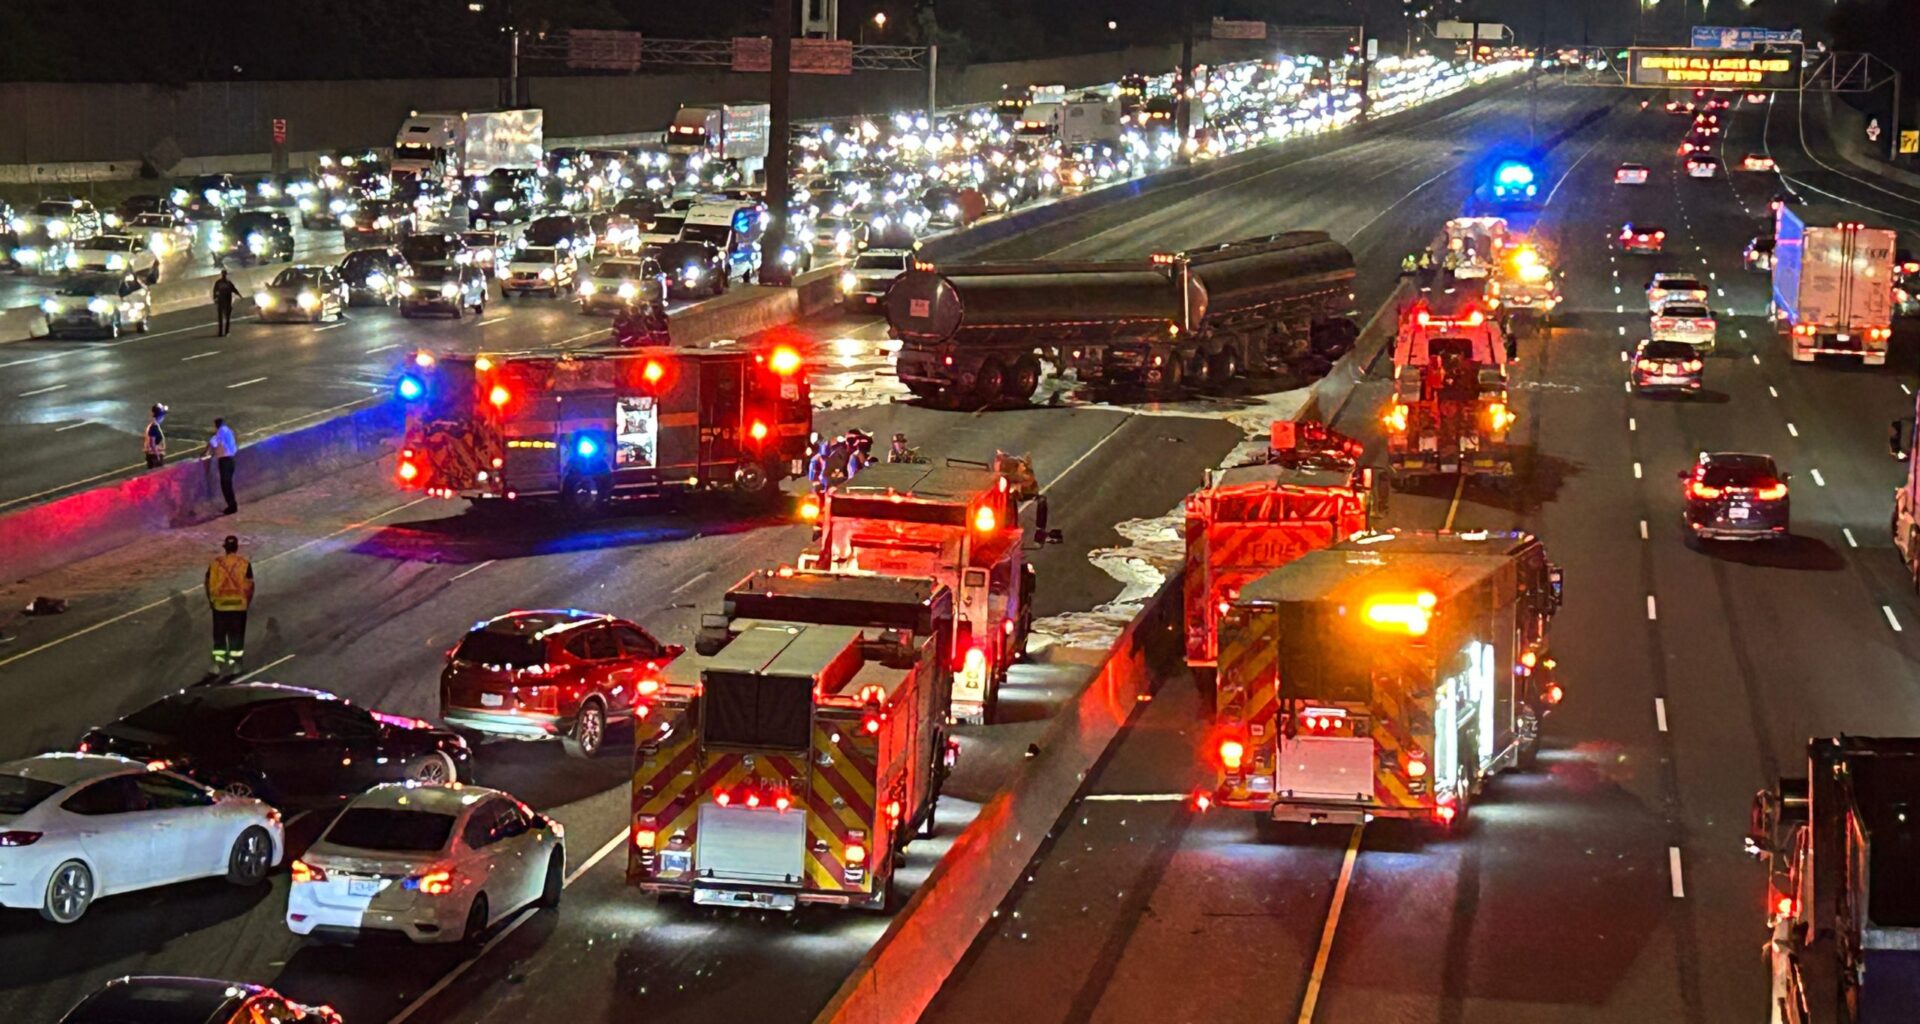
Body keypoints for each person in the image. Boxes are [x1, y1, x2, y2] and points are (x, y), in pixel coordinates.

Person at [205, 535, 255, 675]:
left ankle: (218, 663)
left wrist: (211, 601)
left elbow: (208, 583)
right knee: (237, 636)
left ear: (225, 548)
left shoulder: (216, 563)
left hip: (220, 606)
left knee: (219, 636)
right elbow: (250, 586)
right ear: (237, 547)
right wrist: (247, 602)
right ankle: (236, 664)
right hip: (239, 607)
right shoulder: (244, 564)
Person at [204, 417, 239, 514]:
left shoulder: (220, 432)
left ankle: (232, 506)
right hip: (231, 460)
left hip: (225, 461)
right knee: (228, 484)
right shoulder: (229, 431)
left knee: (226, 485)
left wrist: (205, 453)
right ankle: (232, 505)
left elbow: (213, 443)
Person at [212, 270, 240, 336]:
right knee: (224, 318)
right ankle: (223, 332)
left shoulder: (223, 283)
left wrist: (239, 294)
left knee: (225, 318)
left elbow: (234, 289)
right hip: (223, 302)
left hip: (225, 302)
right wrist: (215, 298)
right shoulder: (224, 283)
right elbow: (215, 291)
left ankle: (224, 332)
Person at [143, 403, 168, 469]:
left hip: (153, 455)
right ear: (160, 416)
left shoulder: (154, 425)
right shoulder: (153, 427)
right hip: (154, 457)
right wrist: (158, 457)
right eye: (163, 415)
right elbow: (152, 444)